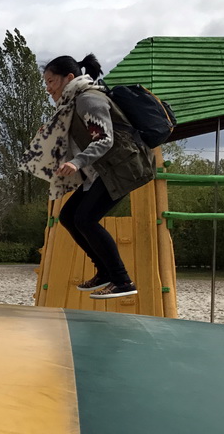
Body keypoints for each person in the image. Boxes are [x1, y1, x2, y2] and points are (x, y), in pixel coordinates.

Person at [22, 53, 155, 299]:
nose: (48, 88)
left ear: (69, 78)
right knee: (69, 217)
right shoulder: (72, 104)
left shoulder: (88, 100)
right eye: (46, 83)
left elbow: (104, 138)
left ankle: (122, 280)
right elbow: (78, 137)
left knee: (84, 218)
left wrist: (76, 162)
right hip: (105, 169)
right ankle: (105, 272)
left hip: (123, 167)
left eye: (51, 81)